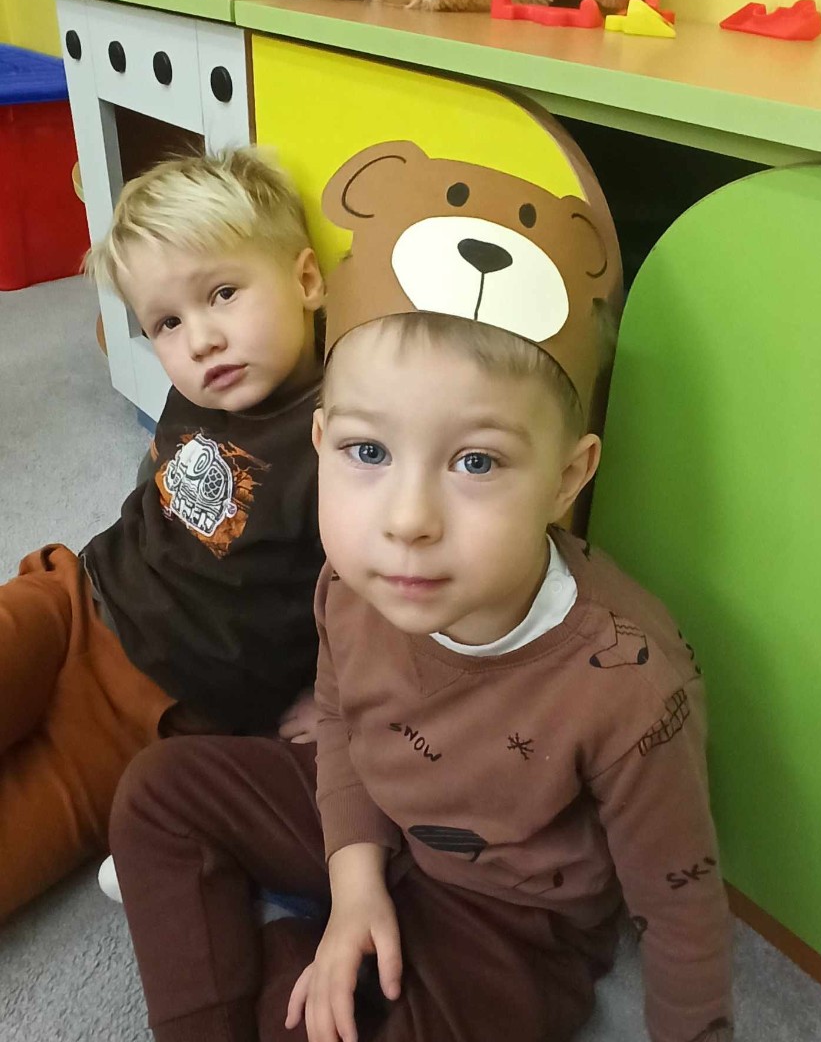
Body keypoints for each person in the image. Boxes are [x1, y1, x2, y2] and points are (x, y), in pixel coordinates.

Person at [109, 172, 734, 1042]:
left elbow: (682, 910)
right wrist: (354, 883)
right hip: (376, 821)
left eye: (476, 463)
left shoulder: (629, 685)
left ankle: (291, 953)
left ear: (567, 477)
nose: (406, 522)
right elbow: (343, 721)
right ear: (322, 442)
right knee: (158, 791)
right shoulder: (353, 580)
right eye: (368, 451)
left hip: (508, 919)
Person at [0, 148, 326, 921]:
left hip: (153, 714)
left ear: (308, 281)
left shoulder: (345, 436)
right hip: (72, 603)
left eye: (223, 293)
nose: (201, 340)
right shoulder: (201, 390)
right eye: (167, 323)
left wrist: (334, 698)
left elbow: (385, 591)